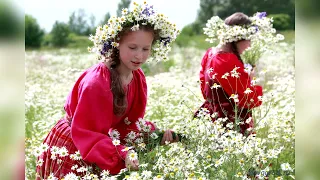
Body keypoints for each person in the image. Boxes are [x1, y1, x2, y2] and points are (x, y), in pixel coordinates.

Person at [35, 2, 179, 179]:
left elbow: (128, 124)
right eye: (132, 47)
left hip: (100, 143)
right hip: (76, 144)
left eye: (145, 49)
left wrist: (154, 134)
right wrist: (122, 152)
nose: (139, 56)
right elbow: (88, 133)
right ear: (117, 44)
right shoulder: (97, 83)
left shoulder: (137, 77)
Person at [195, 12, 263, 135]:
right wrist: (252, 79)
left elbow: (205, 89)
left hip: (213, 117)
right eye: (249, 39)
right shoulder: (227, 60)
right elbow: (248, 99)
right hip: (230, 122)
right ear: (238, 38)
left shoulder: (210, 53)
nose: (250, 44)